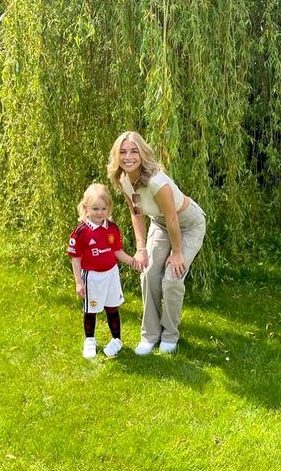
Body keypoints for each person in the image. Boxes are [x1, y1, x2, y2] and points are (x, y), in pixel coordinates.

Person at [107, 131, 206, 355]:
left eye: (134, 151)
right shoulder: (124, 179)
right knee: (149, 273)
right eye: (123, 152)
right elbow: (136, 212)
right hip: (161, 223)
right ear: (116, 155)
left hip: (188, 224)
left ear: (142, 153)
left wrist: (177, 253)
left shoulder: (156, 182)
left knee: (172, 277)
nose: (128, 157)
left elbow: (173, 218)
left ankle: (170, 335)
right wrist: (141, 248)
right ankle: (150, 335)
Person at [67, 183, 141, 359]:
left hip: (111, 275)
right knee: (91, 310)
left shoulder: (112, 228)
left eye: (103, 208)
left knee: (112, 307)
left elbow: (117, 251)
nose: (100, 213)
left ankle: (117, 340)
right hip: (92, 277)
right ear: (86, 208)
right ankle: (90, 340)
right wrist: (79, 282)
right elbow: (75, 258)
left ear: (109, 207)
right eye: (95, 209)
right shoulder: (81, 232)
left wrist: (133, 261)